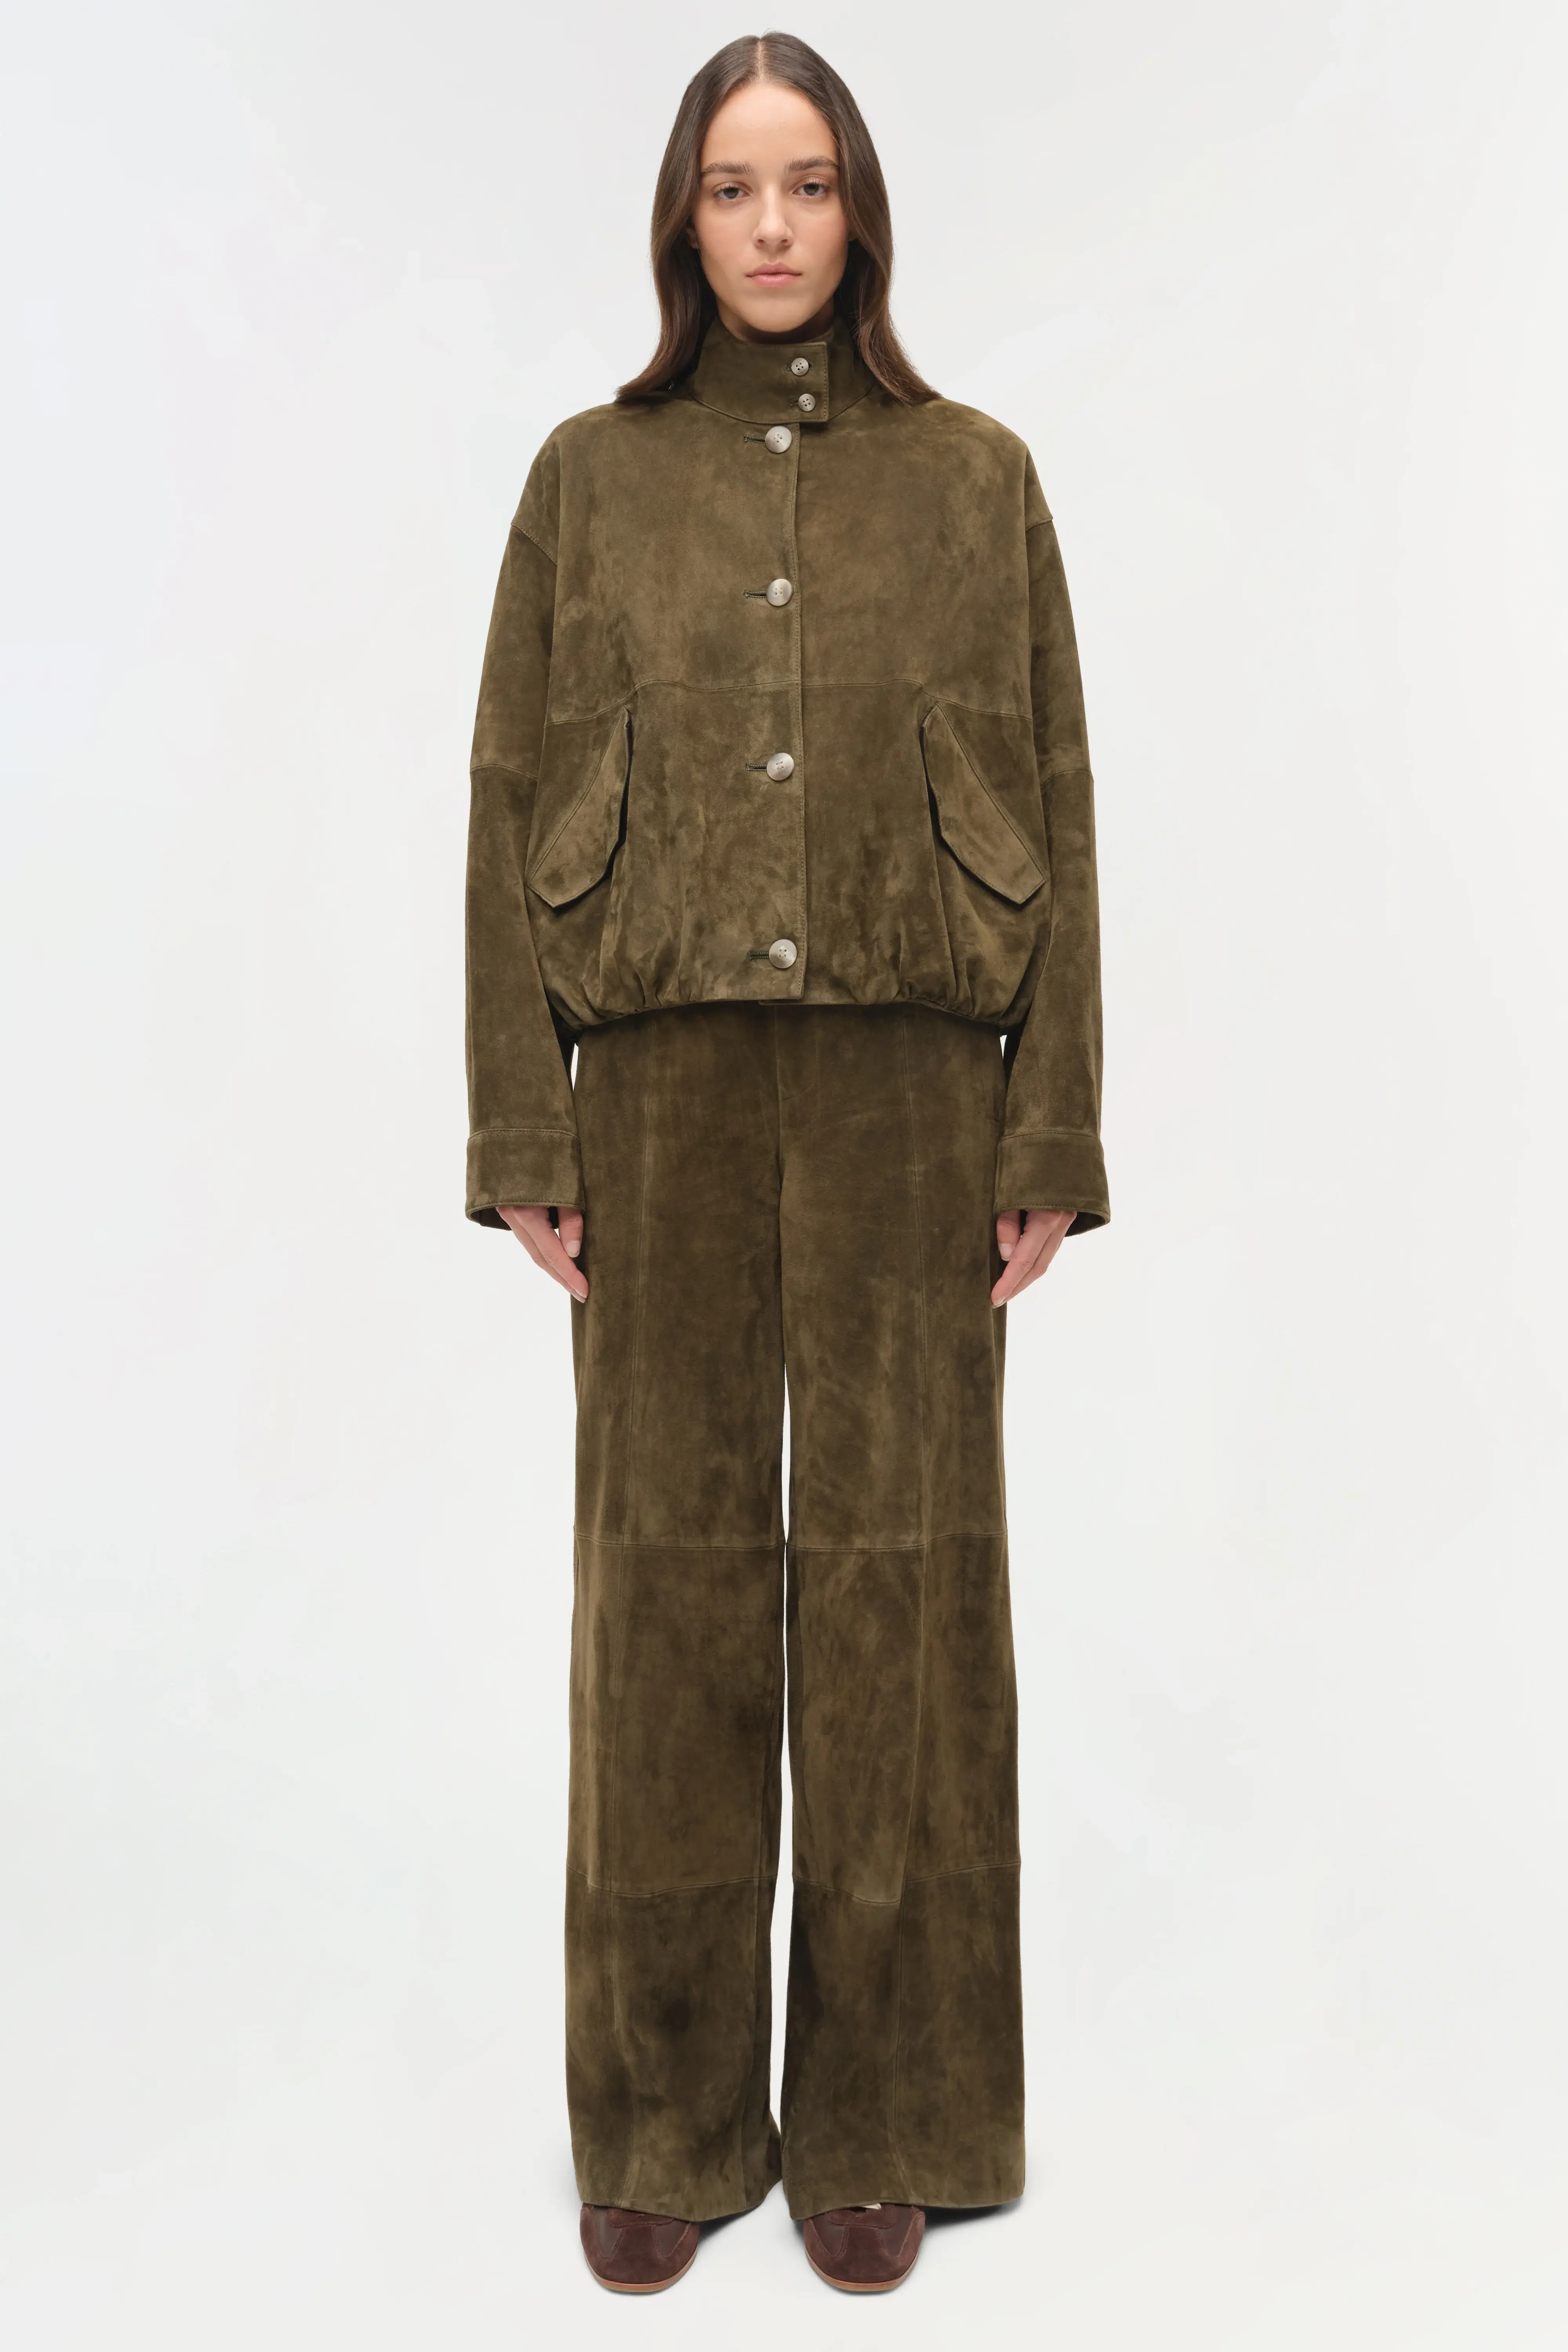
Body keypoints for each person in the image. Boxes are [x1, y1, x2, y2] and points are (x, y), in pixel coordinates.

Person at [463, 29, 1108, 2297]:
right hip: (651, 1090)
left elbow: (1063, 797)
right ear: (681, 217)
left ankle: (888, 2114)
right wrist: (519, 1121)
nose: (770, 225)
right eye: (732, 187)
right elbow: (502, 800)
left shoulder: (978, 481)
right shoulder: (587, 480)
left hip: (915, 1091)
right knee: (662, 1589)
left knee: (903, 1594)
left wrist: (1051, 1125)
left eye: (807, 183)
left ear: (861, 211)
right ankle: (661, 2115)